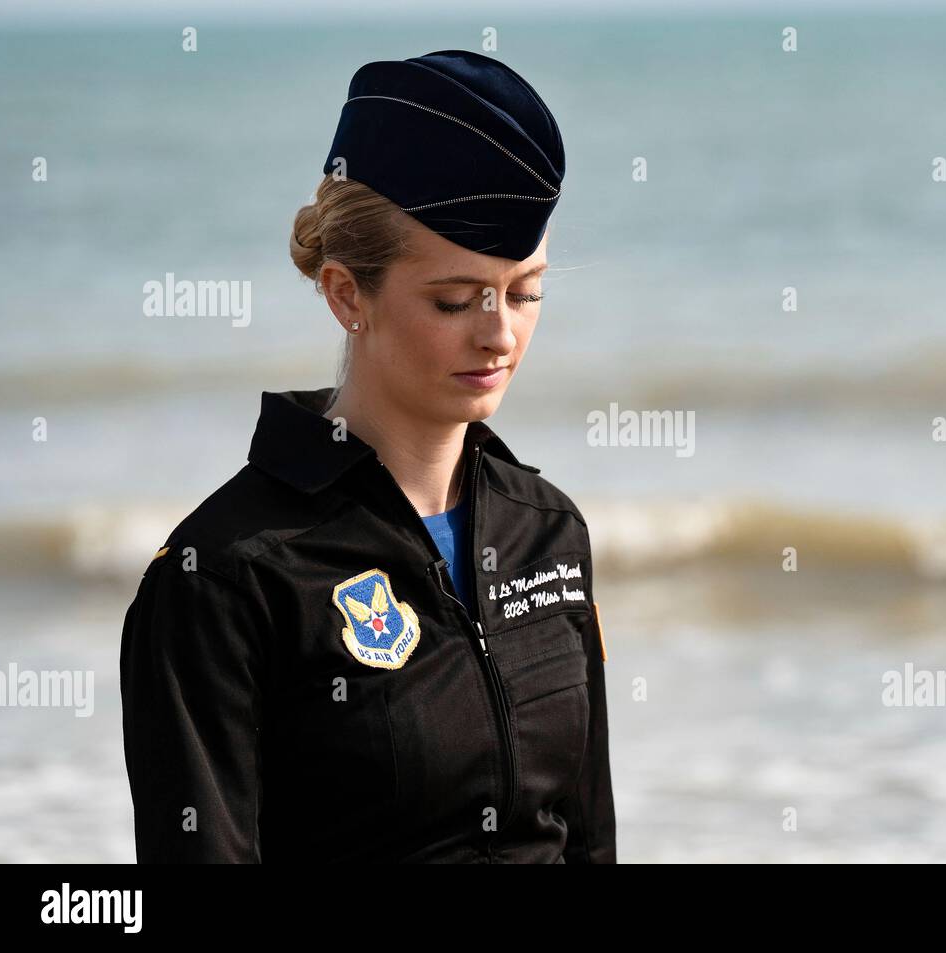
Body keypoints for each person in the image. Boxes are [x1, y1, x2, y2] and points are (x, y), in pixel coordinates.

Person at [118, 50, 616, 863]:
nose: (500, 332)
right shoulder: (225, 577)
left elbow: (590, 839)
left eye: (526, 291)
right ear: (348, 294)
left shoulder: (550, 531)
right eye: (455, 300)